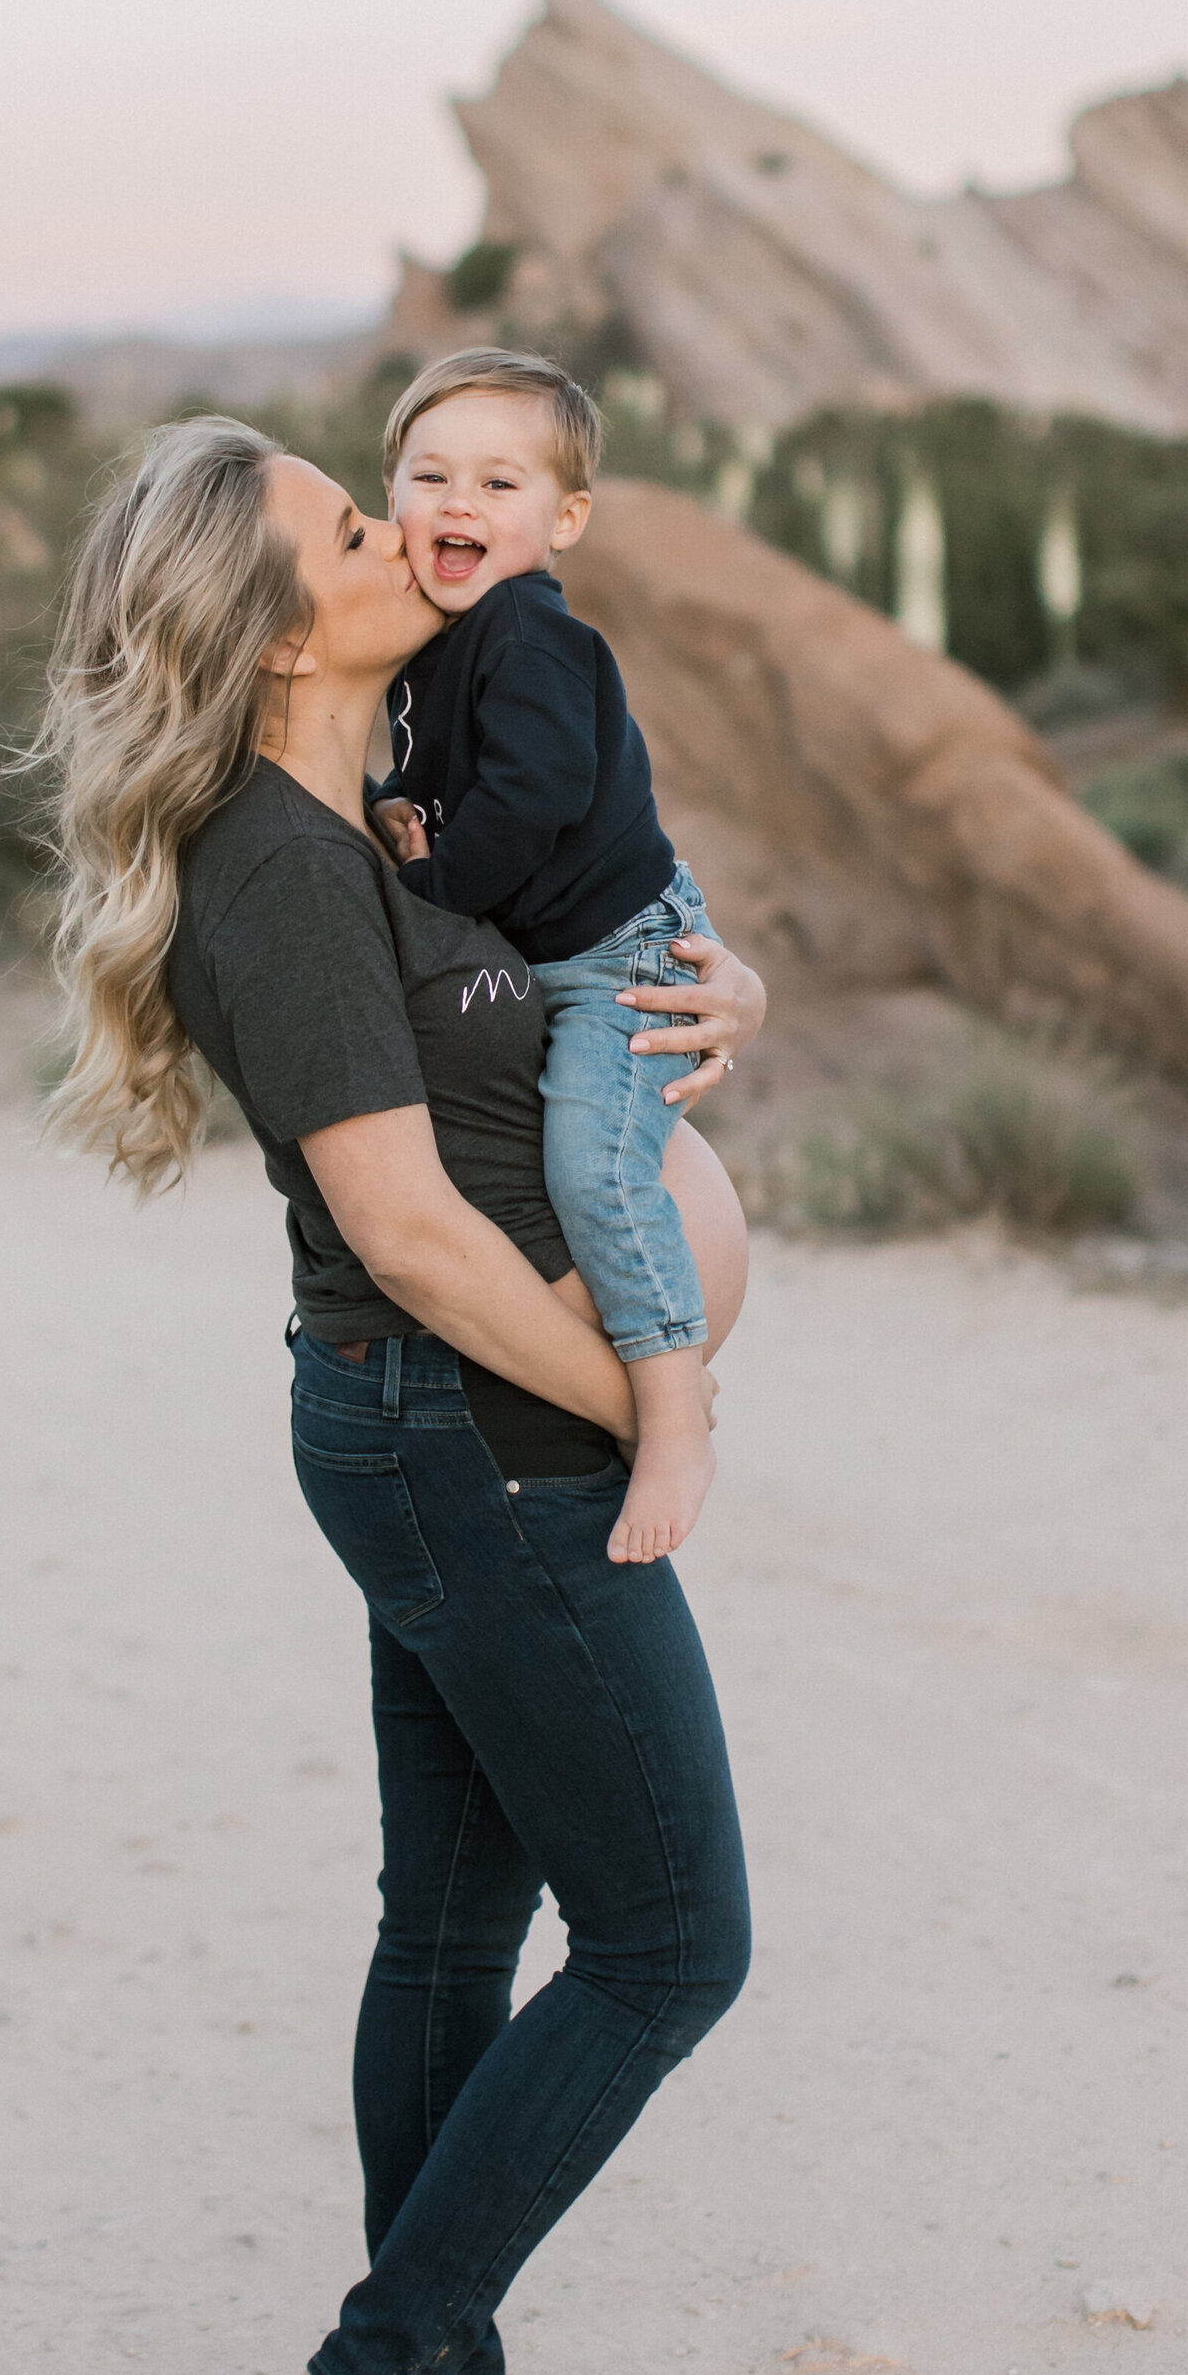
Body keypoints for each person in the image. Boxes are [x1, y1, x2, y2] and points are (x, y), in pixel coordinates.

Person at [37, 413, 763, 2375]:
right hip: (469, 1436)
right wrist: (668, 1409)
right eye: (350, 528)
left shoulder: (388, 809)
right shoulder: (275, 858)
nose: (402, 532)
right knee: (667, 1942)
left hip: (441, 1434)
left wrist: (729, 996)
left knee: (451, 1925)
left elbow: (592, 1004)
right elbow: (418, 1235)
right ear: (272, 635)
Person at [370, 346, 723, 1570]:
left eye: (500, 483)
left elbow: (530, 801)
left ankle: (671, 1414)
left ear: (565, 519)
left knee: (594, 1163)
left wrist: (424, 882)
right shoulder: (434, 638)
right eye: (431, 475)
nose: (459, 503)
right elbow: (428, 779)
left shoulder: (526, 624)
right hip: (563, 949)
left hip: (622, 950)